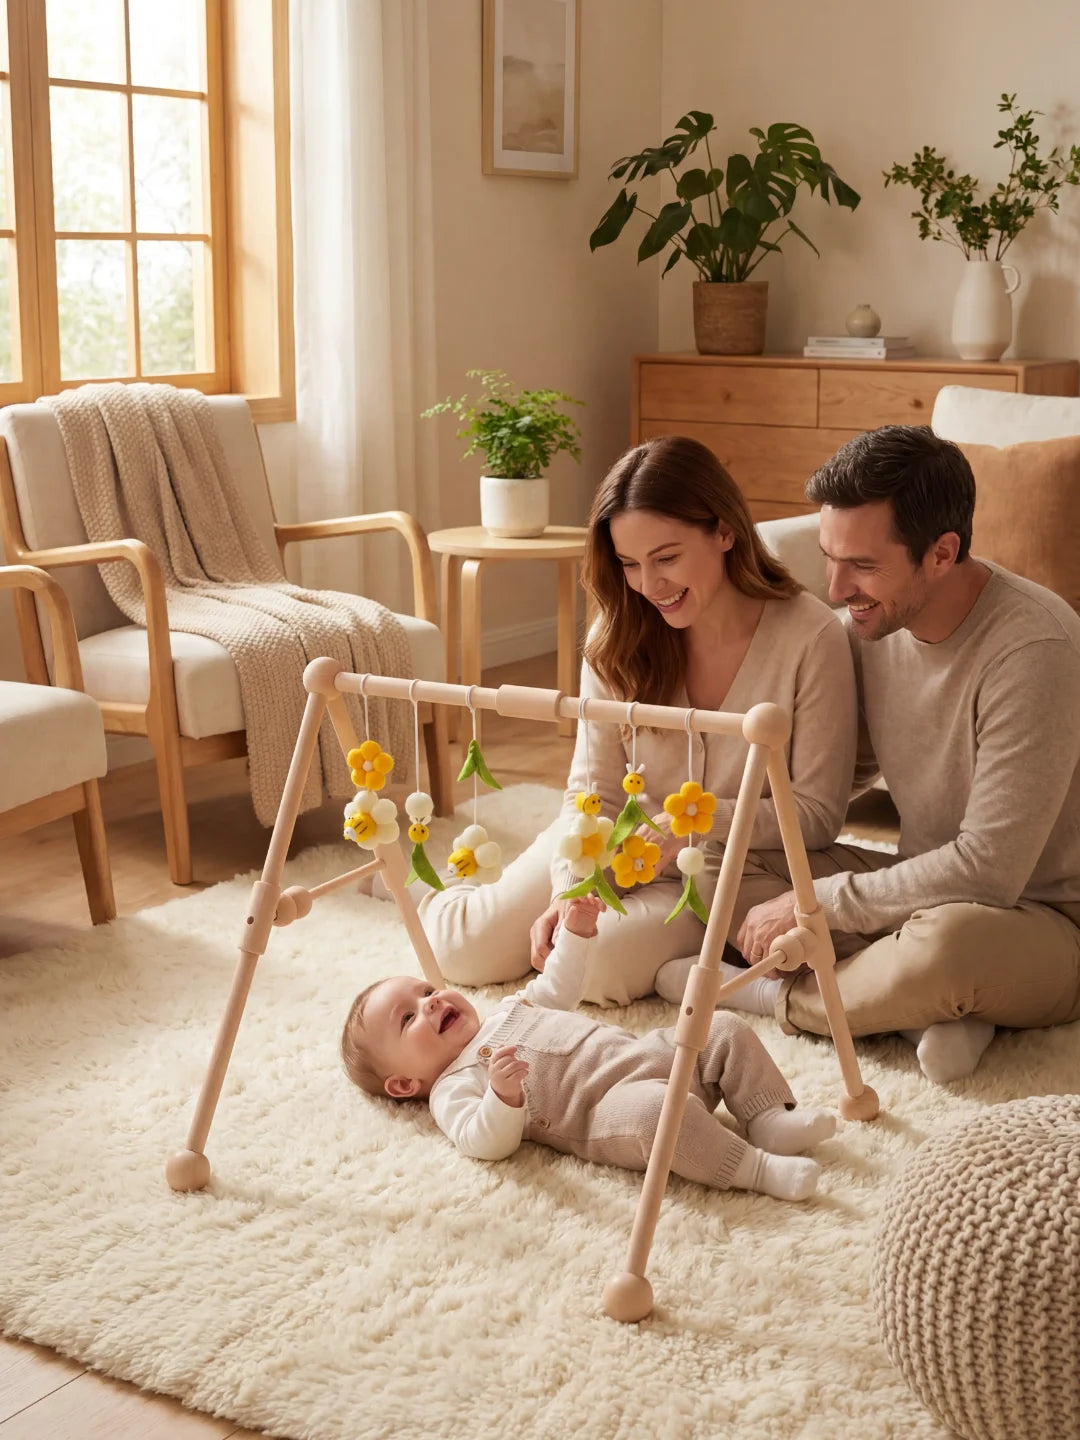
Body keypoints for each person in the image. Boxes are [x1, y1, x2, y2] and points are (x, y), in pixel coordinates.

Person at [418, 434, 858, 1006]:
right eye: (629, 564)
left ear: (725, 531)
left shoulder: (812, 638)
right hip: (608, 848)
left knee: (591, 968)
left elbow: (817, 816)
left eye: (666, 558)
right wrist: (570, 889)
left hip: (715, 871)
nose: (649, 586)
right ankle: (423, 886)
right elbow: (592, 792)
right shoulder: (618, 635)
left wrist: (692, 827)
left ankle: (682, 962)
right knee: (460, 952)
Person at [724, 424, 1080, 1083]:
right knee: (729, 858)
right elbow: (830, 782)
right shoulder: (867, 628)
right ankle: (927, 1012)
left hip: (1044, 918)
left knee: (944, 950)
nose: (836, 588)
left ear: (942, 553)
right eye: (830, 558)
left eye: (862, 565)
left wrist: (819, 905)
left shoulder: (1036, 649)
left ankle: (774, 995)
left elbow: (989, 872)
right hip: (920, 885)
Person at [341, 895, 836, 1201]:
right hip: (605, 1109)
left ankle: (768, 1117)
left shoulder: (506, 1011)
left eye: (427, 991)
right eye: (408, 1018)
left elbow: (558, 986)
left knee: (721, 1026)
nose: (430, 1003)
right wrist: (502, 1098)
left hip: (646, 1053)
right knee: (658, 1115)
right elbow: (482, 1142)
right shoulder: (452, 1087)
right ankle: (756, 1169)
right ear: (403, 1083)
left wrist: (576, 936)